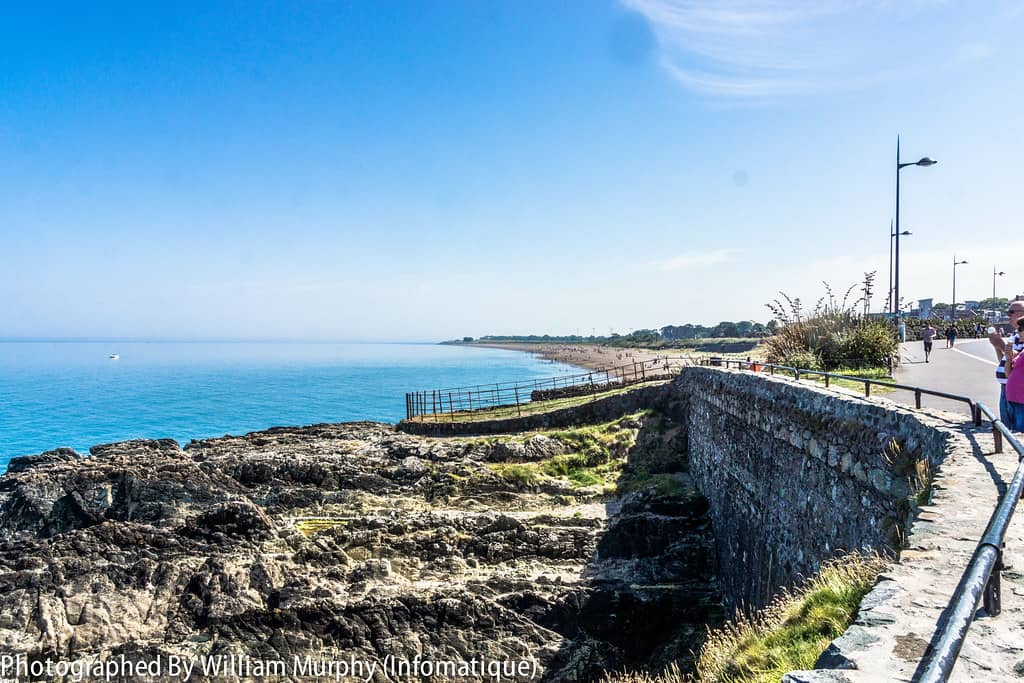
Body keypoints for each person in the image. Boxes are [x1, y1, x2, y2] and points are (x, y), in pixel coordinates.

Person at [990, 302, 1024, 425]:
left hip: (1018, 390)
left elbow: (1017, 360)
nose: (1008, 315)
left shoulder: (1021, 336)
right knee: (1006, 424)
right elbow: (1004, 361)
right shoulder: (1015, 335)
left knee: (1015, 427)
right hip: (1007, 387)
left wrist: (1002, 345)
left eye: (1011, 312)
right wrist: (996, 346)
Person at [1004, 316, 1024, 430]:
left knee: (1019, 434)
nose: (1018, 332)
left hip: (1021, 400)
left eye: (1021, 329)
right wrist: (1008, 358)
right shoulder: (1022, 351)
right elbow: (1008, 374)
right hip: (1014, 399)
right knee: (1015, 433)